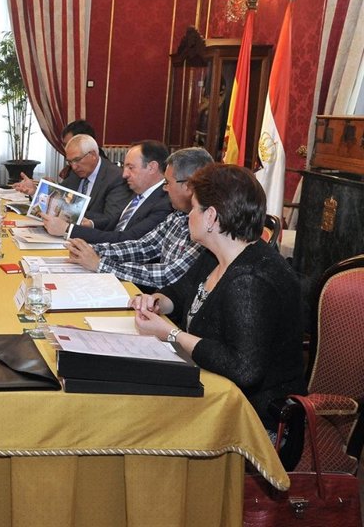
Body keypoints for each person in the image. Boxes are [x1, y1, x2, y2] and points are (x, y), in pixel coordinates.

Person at [130, 164, 307, 432]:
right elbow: (181, 291)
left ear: (211, 216)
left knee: (138, 419)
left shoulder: (250, 280)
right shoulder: (216, 254)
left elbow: (243, 368)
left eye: (194, 208)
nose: (189, 215)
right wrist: (156, 301)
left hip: (253, 419)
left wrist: (172, 334)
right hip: (213, 391)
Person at [65, 147, 213, 290]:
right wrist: (91, 249)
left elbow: (167, 275)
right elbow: (143, 247)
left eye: (167, 183)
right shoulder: (178, 215)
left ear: (187, 186)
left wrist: (100, 264)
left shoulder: (206, 226)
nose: (164, 188)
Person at [42, 140, 172, 243]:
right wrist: (90, 224)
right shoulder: (139, 193)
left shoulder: (165, 203)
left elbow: (127, 239)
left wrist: (68, 229)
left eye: (131, 167)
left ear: (152, 167)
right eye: (124, 167)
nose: (124, 174)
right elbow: (116, 220)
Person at [54, 134, 132, 230]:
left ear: (93, 155)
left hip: (94, 233)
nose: (74, 166)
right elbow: (61, 197)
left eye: (77, 160)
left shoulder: (116, 178)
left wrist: (76, 213)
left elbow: (111, 218)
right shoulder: (76, 172)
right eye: (70, 162)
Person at [12, 119, 99, 194]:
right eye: (65, 145)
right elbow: (64, 197)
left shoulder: (106, 177)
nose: (74, 166)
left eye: (71, 143)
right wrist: (36, 191)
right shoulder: (76, 170)